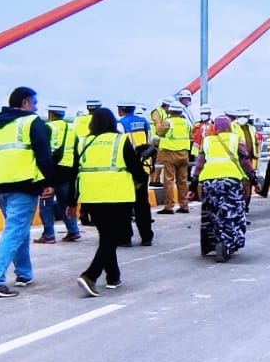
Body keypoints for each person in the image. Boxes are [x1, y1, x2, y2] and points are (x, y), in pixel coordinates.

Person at [0, 86, 59, 298]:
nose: (36, 107)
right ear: (25, 103)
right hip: (24, 183)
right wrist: (50, 181)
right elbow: (43, 154)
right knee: (15, 230)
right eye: (34, 103)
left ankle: (24, 273)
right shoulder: (31, 122)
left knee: (18, 229)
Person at [74, 108, 146, 296]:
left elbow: (75, 172)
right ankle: (90, 275)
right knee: (114, 237)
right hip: (117, 195)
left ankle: (113, 276)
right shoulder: (120, 140)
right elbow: (135, 167)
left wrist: (72, 201)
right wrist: (140, 182)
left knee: (106, 236)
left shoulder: (84, 142)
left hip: (92, 197)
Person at [193, 115, 253, 261]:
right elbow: (244, 160)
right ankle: (228, 242)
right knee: (232, 212)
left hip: (209, 182)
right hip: (230, 182)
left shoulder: (207, 141)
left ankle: (211, 244)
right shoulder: (235, 139)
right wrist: (253, 178)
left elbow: (199, 164)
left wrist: (193, 184)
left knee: (211, 213)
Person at [37, 103, 81, 243]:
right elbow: (75, 150)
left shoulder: (48, 127)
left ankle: (48, 234)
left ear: (51, 114)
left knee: (45, 203)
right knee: (64, 203)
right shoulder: (71, 129)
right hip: (67, 170)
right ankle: (73, 230)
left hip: (51, 170)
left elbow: (43, 151)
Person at [117, 101, 154, 245]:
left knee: (125, 204)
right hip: (143, 166)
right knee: (142, 204)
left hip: (127, 169)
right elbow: (150, 142)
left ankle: (126, 238)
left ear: (121, 110)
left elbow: (120, 145)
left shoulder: (120, 124)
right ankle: (146, 237)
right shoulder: (144, 122)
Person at [155, 99, 192, 214]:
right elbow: (190, 135)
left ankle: (169, 206)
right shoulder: (187, 123)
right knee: (183, 180)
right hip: (184, 154)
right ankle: (184, 205)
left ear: (170, 111)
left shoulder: (168, 122)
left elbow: (159, 132)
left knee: (169, 180)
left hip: (170, 153)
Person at [231, 108, 259, 213]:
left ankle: (245, 206)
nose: (243, 118)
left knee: (249, 183)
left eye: (245, 116)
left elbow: (255, 142)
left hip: (250, 160)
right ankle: (237, 207)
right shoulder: (232, 126)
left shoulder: (252, 128)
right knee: (239, 184)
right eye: (240, 116)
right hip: (236, 161)